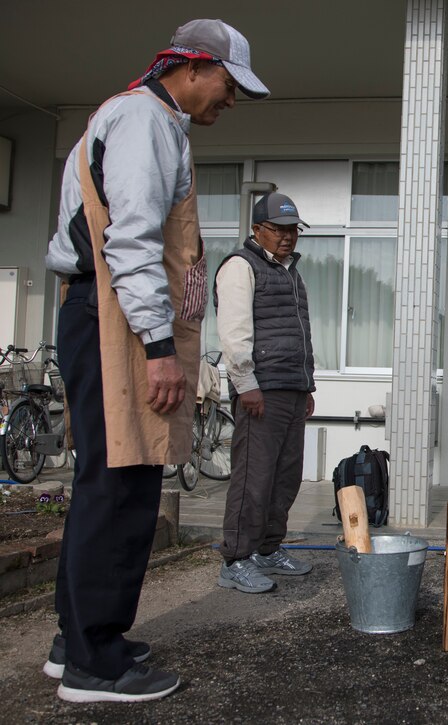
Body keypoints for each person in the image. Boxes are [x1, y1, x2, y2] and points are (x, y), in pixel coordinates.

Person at [42, 19, 268, 702]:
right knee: (122, 484)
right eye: (229, 86)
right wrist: (160, 348)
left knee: (106, 481)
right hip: (113, 319)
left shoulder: (149, 119)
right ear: (193, 67)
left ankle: (76, 638)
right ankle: (96, 663)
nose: (229, 101)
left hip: (110, 314)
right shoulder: (143, 120)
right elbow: (131, 240)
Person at [214, 193, 317, 593]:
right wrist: (246, 385)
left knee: (285, 477)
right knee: (252, 479)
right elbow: (234, 332)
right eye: (278, 229)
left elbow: (300, 334)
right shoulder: (241, 266)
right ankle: (236, 558)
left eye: (293, 229)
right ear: (257, 230)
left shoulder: (291, 272)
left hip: (291, 386)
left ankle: (268, 549)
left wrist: (307, 385)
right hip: (261, 389)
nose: (288, 237)